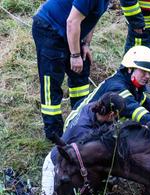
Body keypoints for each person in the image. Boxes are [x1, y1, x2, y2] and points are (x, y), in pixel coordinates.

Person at [32, 0, 110, 142]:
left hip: (71, 31)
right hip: (49, 28)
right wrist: (74, 55)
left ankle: (81, 119)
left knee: (81, 72)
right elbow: (72, 22)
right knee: (52, 80)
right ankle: (54, 133)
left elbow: (92, 18)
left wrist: (85, 44)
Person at [41, 92, 126, 195]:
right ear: (112, 114)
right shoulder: (84, 131)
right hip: (55, 164)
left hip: (71, 162)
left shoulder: (93, 107)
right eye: (118, 115)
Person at [65, 45, 150, 129]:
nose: (147, 77)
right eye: (143, 72)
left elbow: (149, 105)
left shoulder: (132, 85)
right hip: (78, 127)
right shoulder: (118, 87)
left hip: (97, 125)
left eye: (149, 73)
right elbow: (137, 111)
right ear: (129, 68)